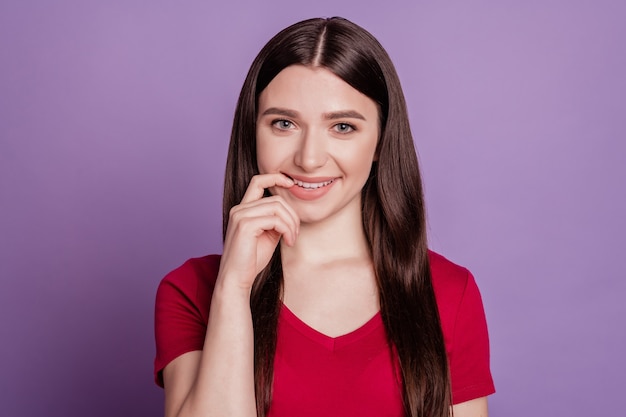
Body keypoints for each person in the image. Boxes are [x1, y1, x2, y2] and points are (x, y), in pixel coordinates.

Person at [154, 16, 495, 417]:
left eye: (343, 127)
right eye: (284, 123)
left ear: (381, 143)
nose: (309, 158)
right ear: (253, 133)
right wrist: (233, 288)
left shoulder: (449, 293)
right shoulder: (192, 291)